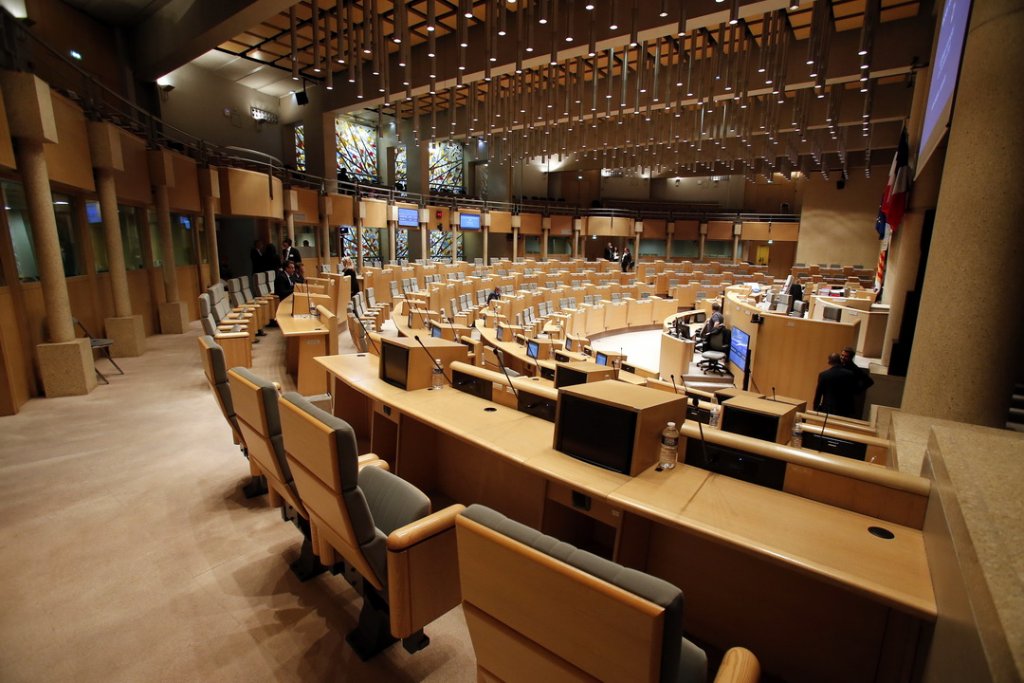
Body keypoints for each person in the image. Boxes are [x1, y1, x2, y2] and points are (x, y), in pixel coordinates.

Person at [813, 353, 858, 417]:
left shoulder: (824, 375)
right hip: (844, 409)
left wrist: (815, 409)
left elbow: (818, 394)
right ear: (839, 361)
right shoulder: (849, 374)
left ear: (829, 361)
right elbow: (852, 391)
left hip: (827, 408)